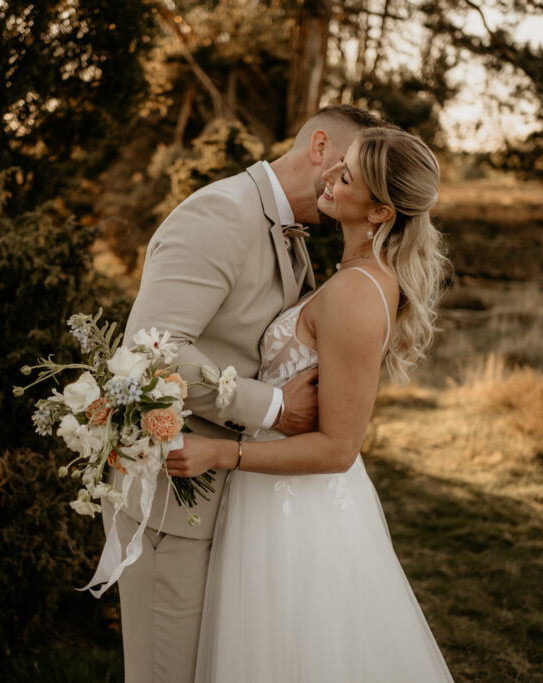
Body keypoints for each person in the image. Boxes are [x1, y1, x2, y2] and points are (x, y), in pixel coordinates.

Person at [104, 105, 387, 683]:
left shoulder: (293, 234)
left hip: (236, 505)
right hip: (174, 503)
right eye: (346, 165)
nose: (341, 181)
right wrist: (277, 407)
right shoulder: (222, 213)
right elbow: (151, 351)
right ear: (318, 146)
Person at [166, 126, 455, 682]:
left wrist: (219, 454)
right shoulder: (351, 276)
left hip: (295, 511)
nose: (328, 175)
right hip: (273, 498)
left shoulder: (355, 294)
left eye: (346, 177)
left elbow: (338, 448)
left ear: (378, 213)